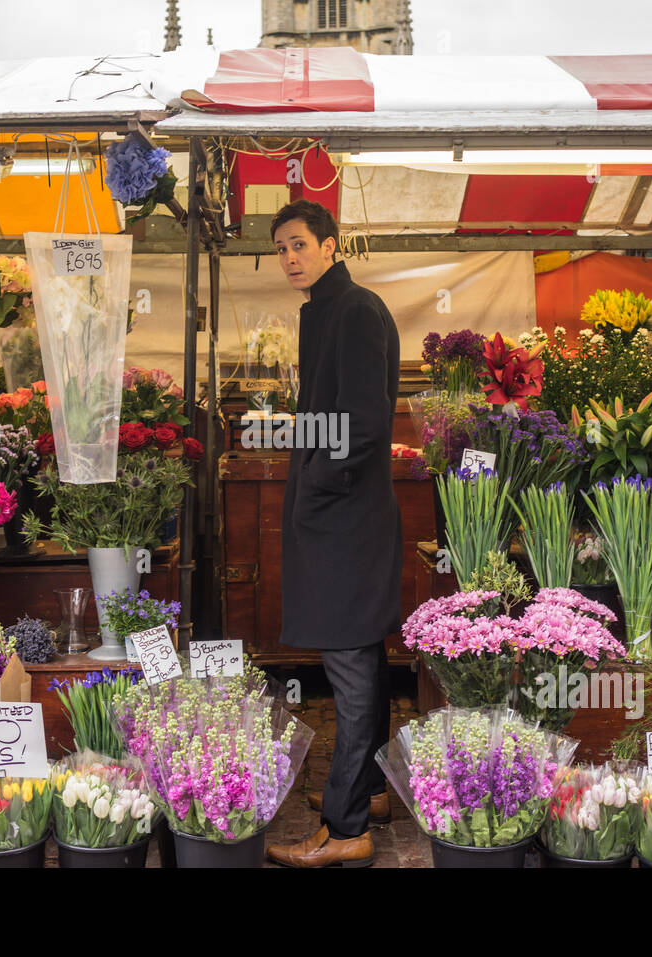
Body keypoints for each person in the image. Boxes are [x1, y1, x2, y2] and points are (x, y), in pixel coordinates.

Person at [264, 200, 402, 868]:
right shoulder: (329, 308)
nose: (289, 257)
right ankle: (370, 788)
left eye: (298, 244)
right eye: (280, 248)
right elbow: (341, 413)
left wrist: (316, 475)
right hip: (343, 515)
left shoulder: (353, 310)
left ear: (330, 244)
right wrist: (309, 440)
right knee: (362, 661)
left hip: (345, 523)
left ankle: (345, 829)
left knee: (349, 672)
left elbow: (368, 422)